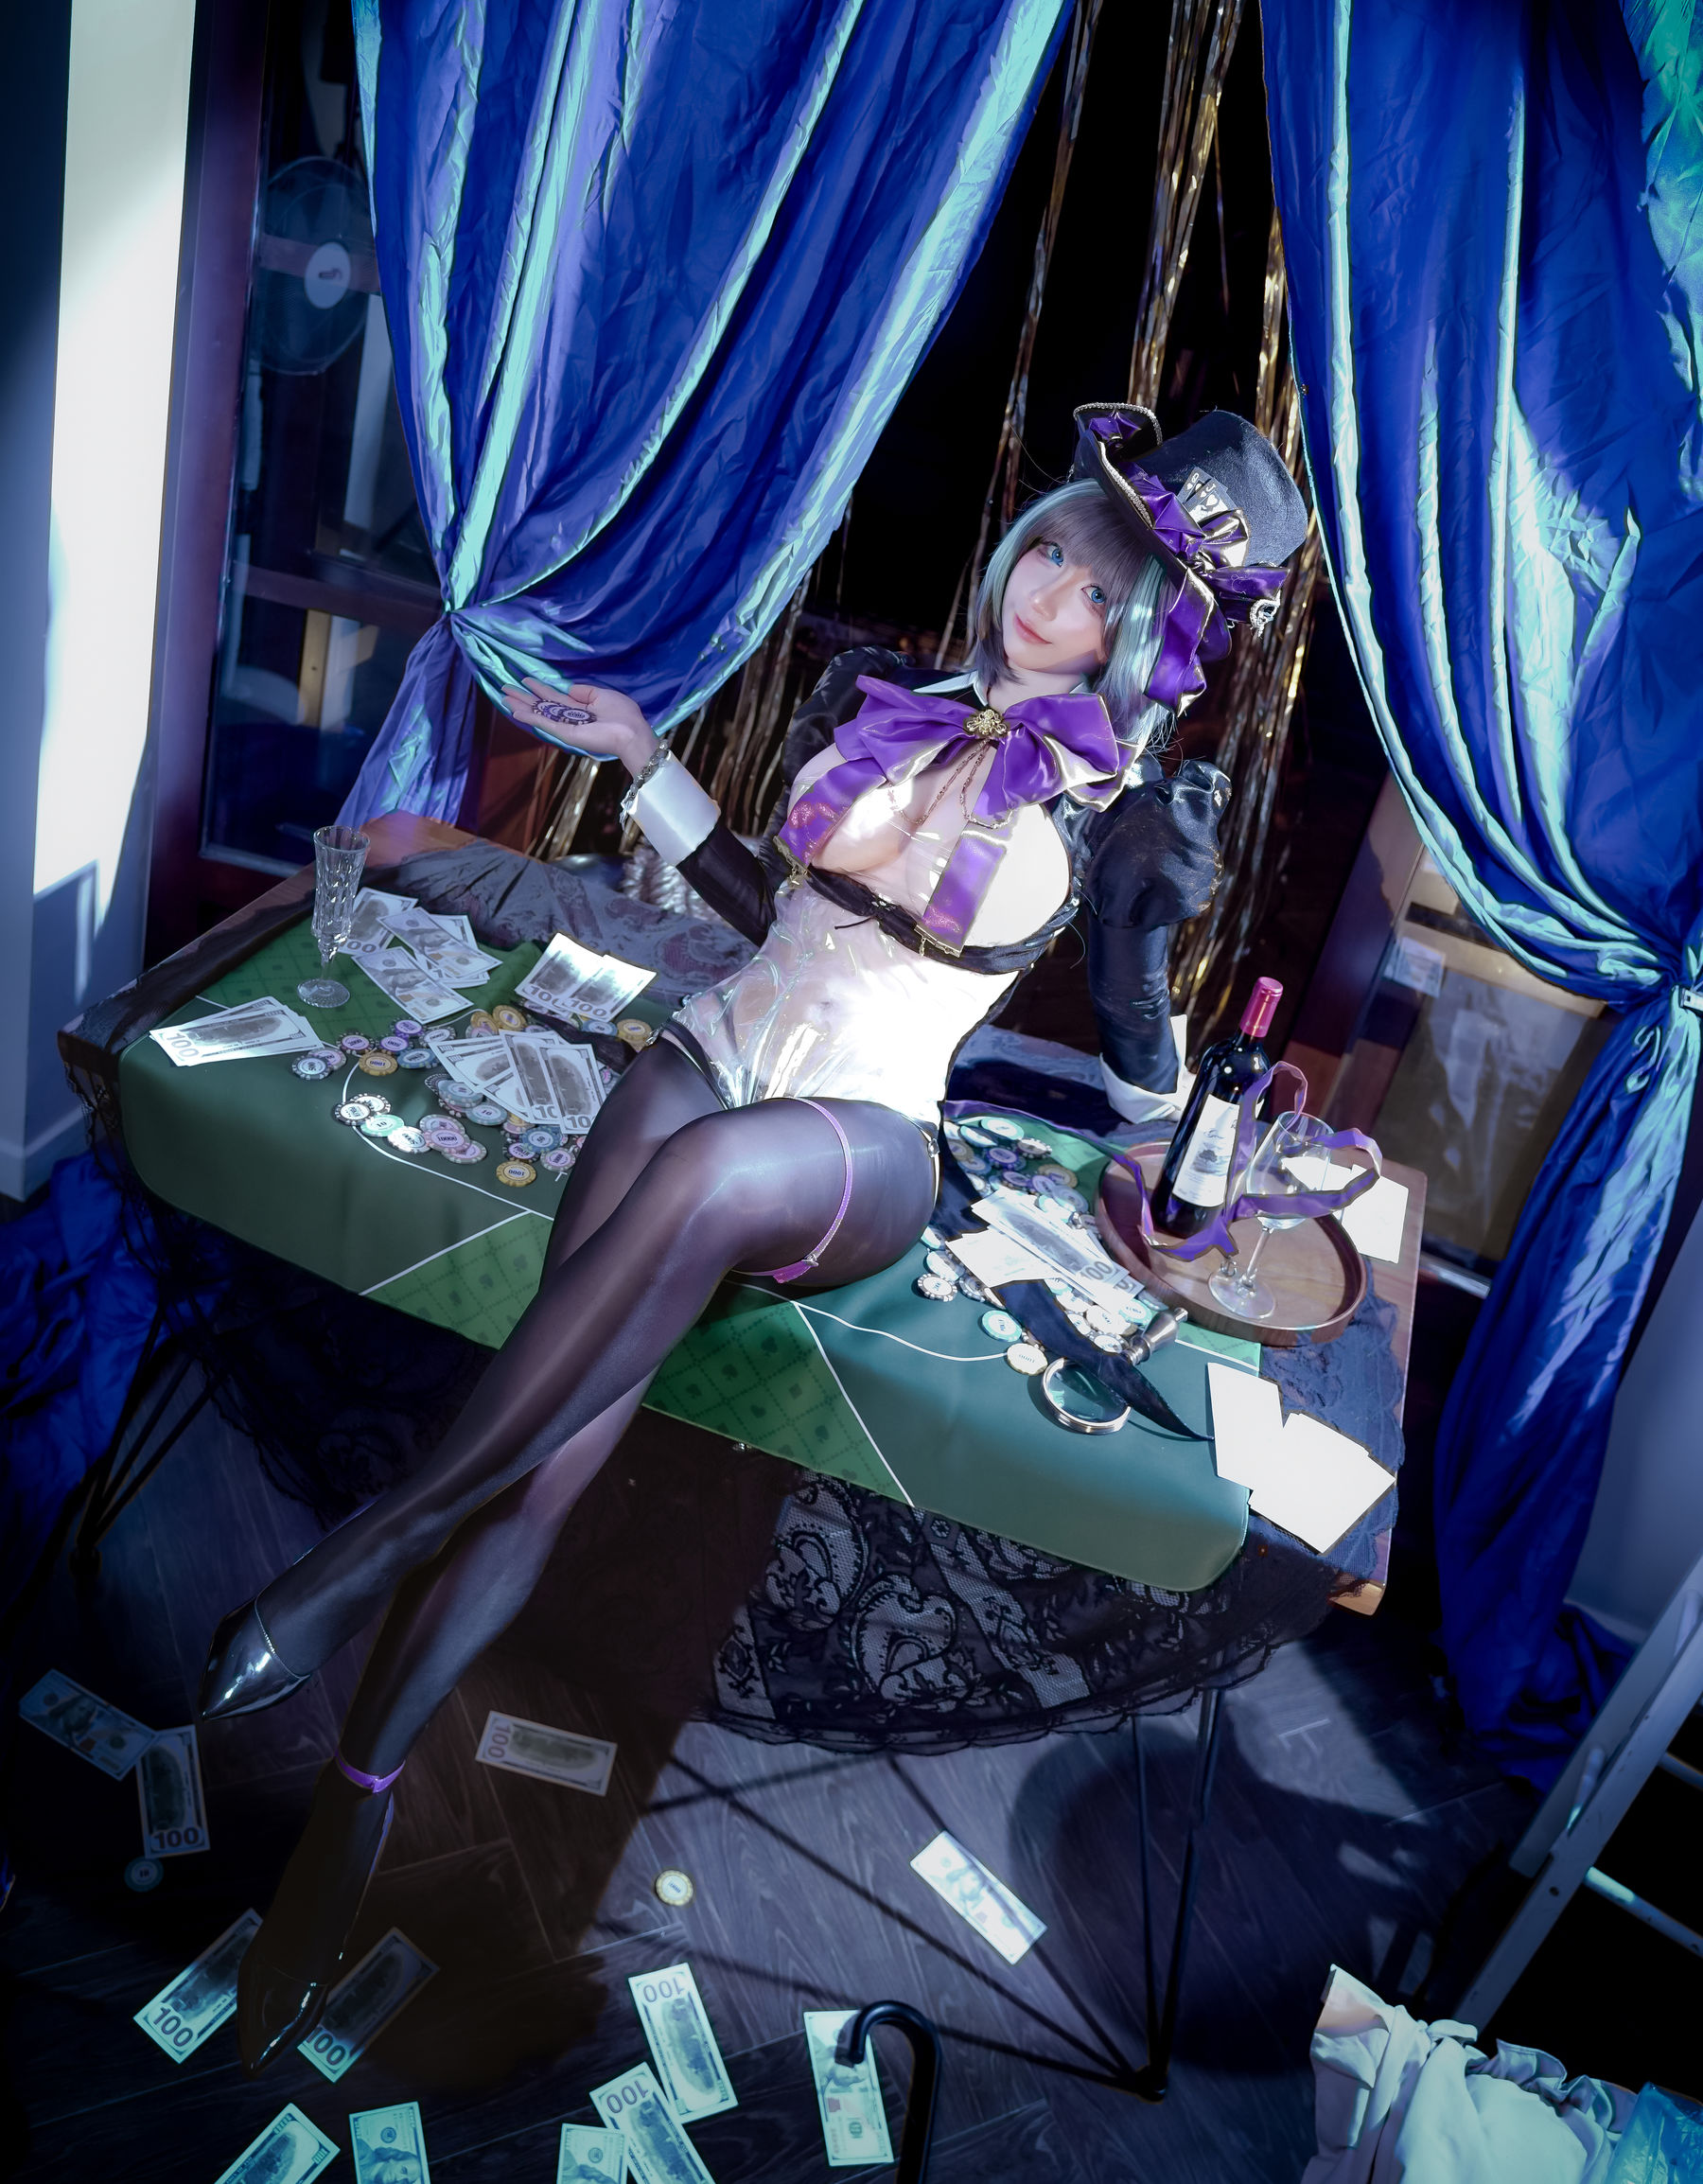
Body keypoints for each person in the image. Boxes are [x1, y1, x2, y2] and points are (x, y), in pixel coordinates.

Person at [198, 401, 1307, 2070]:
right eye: (1054, 549)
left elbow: (1144, 1047)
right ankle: (347, 1817)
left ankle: (362, 1548)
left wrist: (1177, 1137)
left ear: (1147, 630)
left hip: (867, 1145)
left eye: (1100, 587)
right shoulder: (895, 700)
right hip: (722, 1050)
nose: (1050, 589)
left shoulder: (1122, 812)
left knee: (710, 1172)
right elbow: (773, 918)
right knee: (548, 1453)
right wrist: (644, 761)